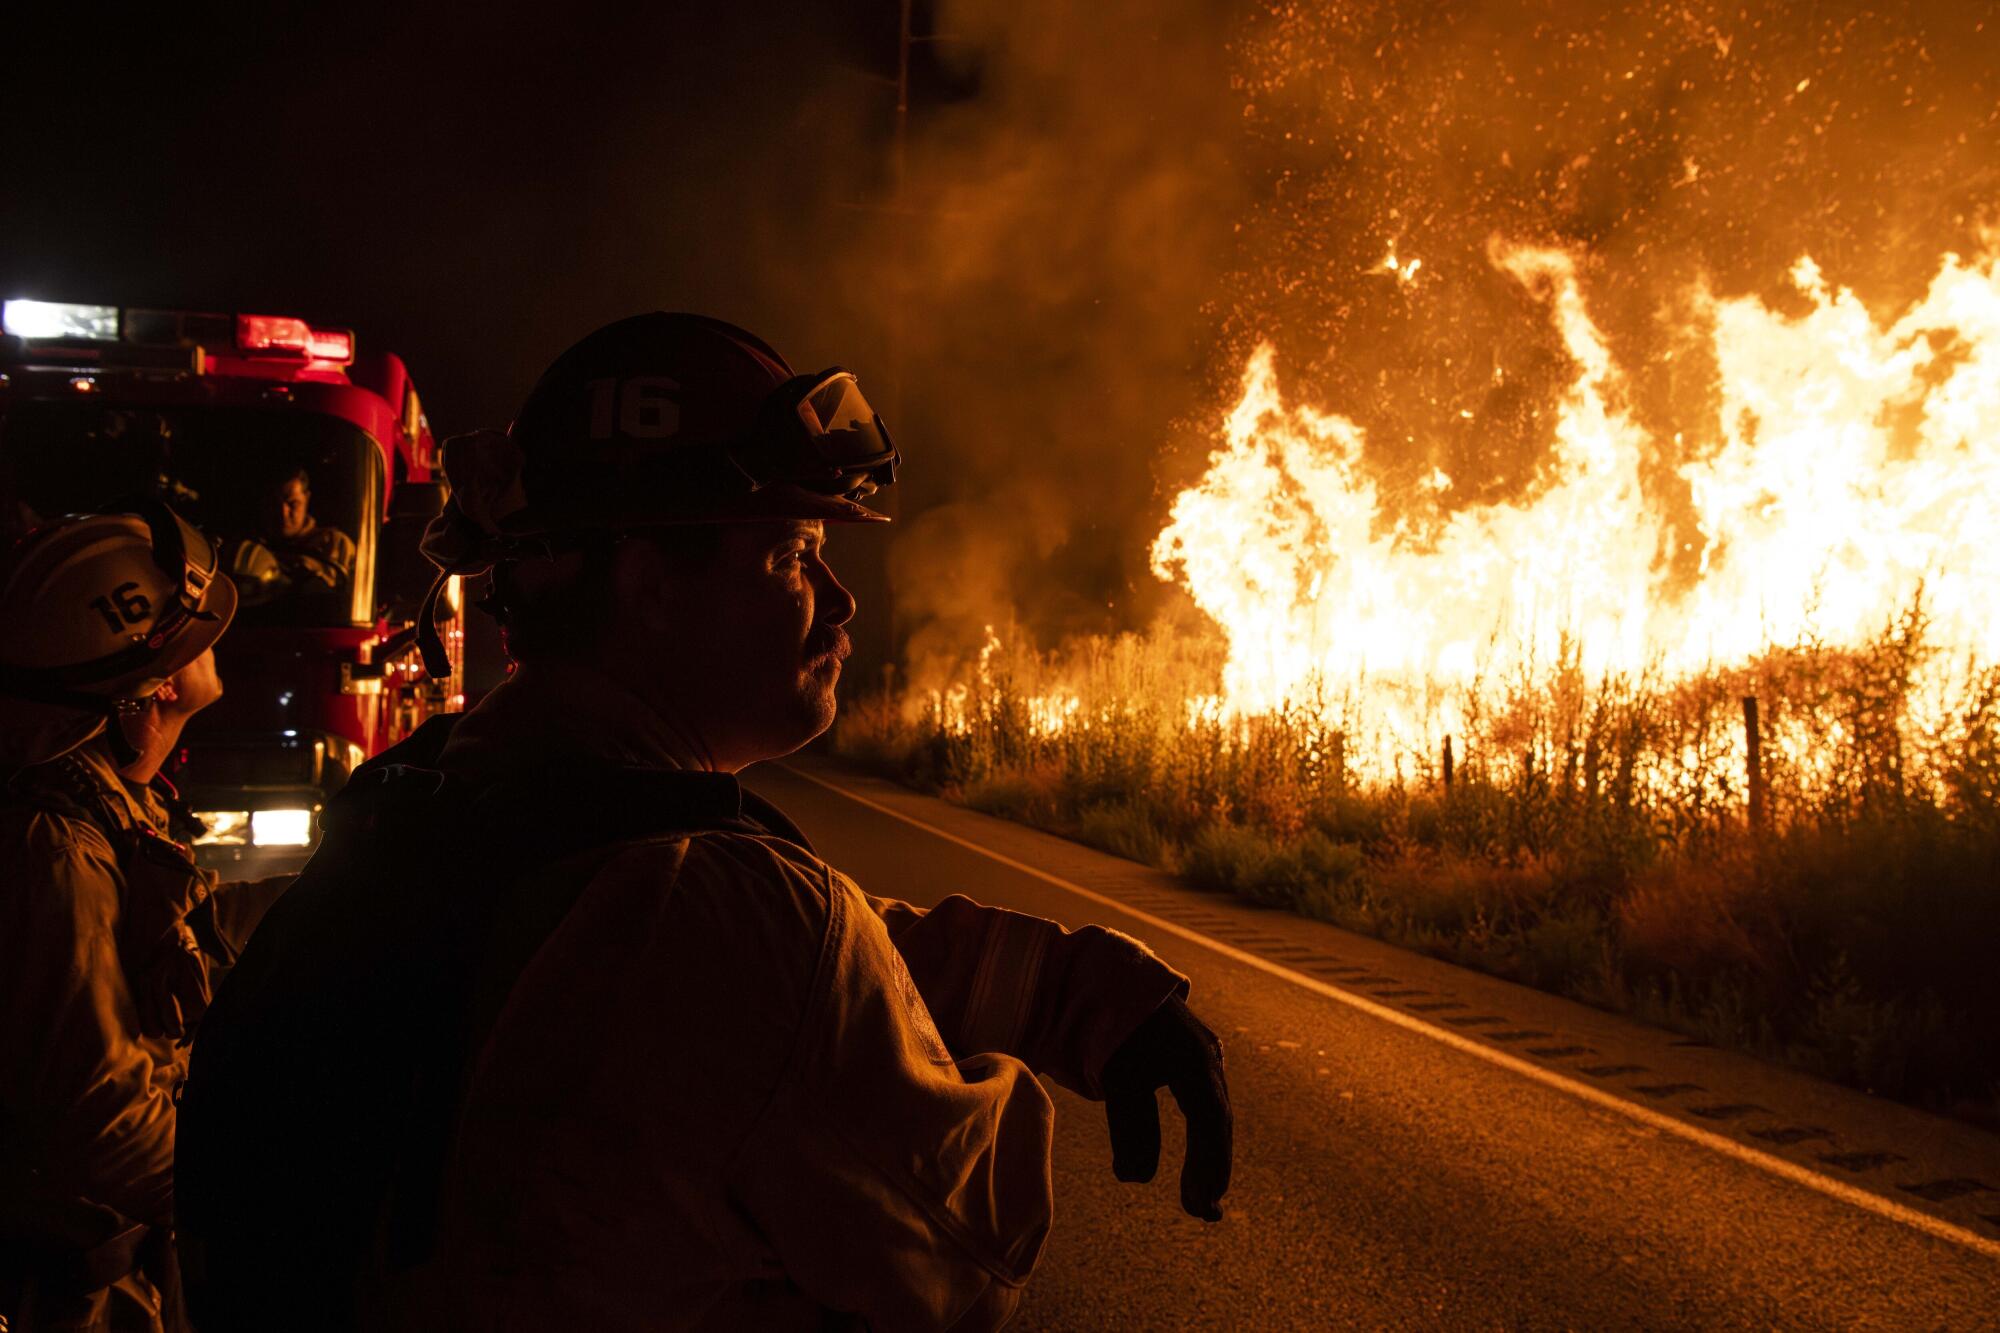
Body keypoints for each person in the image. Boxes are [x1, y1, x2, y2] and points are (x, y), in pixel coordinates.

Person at [178, 313, 1232, 1332]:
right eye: (789, 555)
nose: (839, 599)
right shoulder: (729, 914)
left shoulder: (437, 803)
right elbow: (961, 1247)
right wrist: (980, 1072)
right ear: (648, 587)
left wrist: (1064, 990)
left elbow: (805, 956)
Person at [0, 506, 292, 1332]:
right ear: (150, 687)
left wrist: (338, 885)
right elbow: (105, 1119)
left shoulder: (103, 804)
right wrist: (279, 1193)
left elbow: (175, 936)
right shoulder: (54, 847)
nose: (211, 642)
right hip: (77, 1293)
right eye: (191, 636)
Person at [266, 468, 355, 591]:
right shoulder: (259, 545)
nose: (283, 513)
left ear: (306, 498)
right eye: (275, 504)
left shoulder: (333, 543)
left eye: (293, 503)